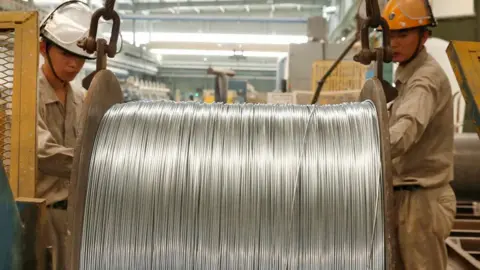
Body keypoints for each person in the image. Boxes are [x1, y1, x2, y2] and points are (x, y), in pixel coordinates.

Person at [381, 0, 456, 269]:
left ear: (424, 36)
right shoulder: (406, 73)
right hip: (406, 197)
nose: (394, 43)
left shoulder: (424, 80)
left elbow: (403, 133)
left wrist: (357, 149)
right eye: (389, 34)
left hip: (422, 202)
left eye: (403, 34)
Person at [36, 2, 95, 269]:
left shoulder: (81, 99)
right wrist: (96, 164)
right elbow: (41, 153)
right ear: (43, 49)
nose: (74, 64)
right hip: (38, 214)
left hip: (74, 214)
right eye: (64, 54)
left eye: (80, 57)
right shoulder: (23, 95)